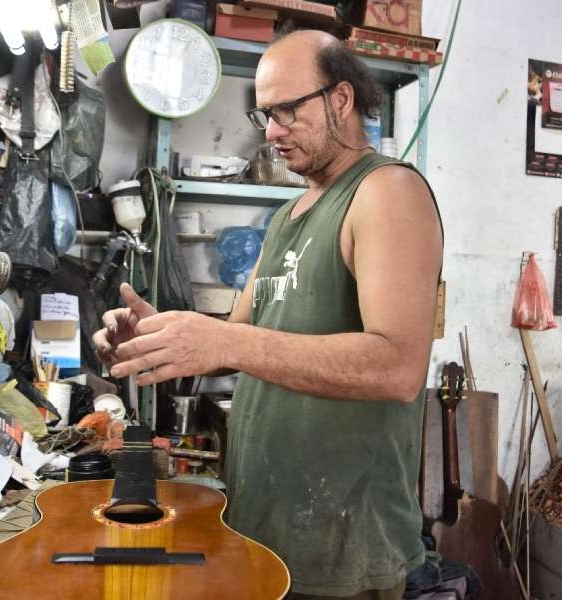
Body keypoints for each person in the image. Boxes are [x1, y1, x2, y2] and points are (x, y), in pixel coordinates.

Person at [93, 29, 443, 600]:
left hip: (341, 551)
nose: (273, 132)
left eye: (287, 110)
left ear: (342, 99)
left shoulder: (386, 192)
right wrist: (157, 335)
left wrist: (226, 344)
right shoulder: (289, 217)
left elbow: (398, 366)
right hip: (265, 528)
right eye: (264, 116)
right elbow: (236, 339)